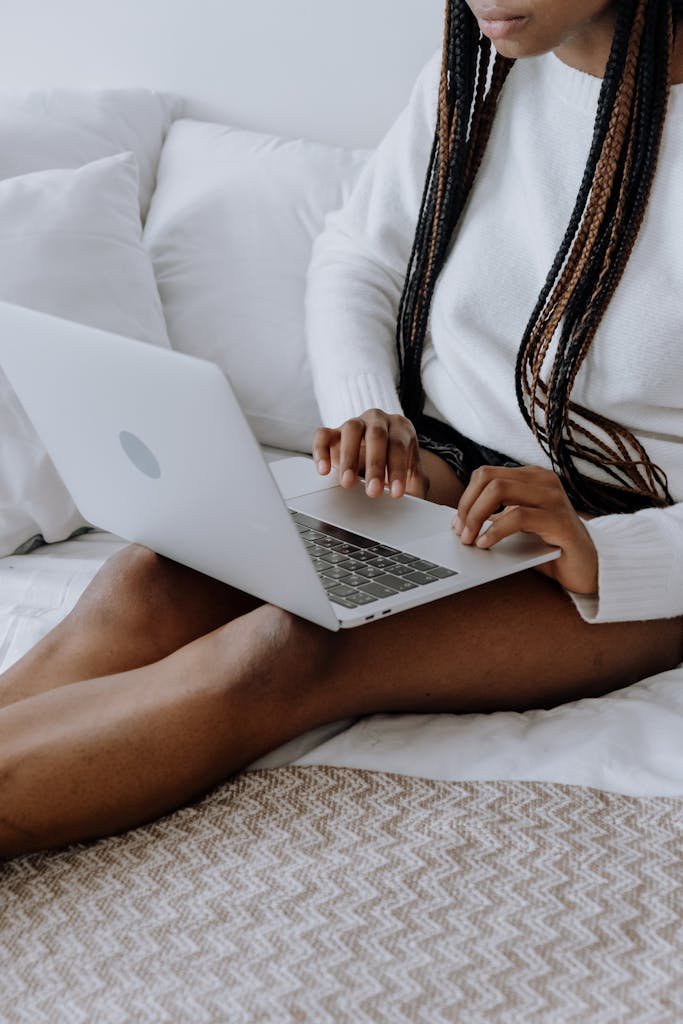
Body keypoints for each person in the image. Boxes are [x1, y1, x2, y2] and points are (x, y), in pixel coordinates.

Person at [1, 0, 681, 859]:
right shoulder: (478, 72)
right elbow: (358, 255)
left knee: (285, 651)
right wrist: (370, 405)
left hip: (625, 535)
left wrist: (606, 556)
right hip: (458, 475)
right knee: (155, 576)